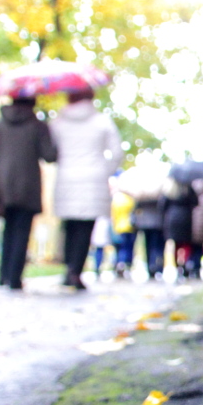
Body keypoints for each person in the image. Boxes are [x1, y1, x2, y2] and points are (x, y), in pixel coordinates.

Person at [49, 88, 121, 290]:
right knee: (85, 226)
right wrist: (104, 170)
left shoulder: (58, 123)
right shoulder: (102, 121)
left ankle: (68, 269)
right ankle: (75, 270)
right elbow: (116, 153)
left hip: (66, 177)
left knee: (69, 224)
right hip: (94, 179)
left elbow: (50, 150)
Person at [0, 96, 57, 291]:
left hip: (4, 184)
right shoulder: (38, 125)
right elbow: (50, 155)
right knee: (22, 231)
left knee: (7, 230)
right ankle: (14, 277)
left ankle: (3, 275)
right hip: (28, 185)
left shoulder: (0, 123)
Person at [160, 177, 197, 280]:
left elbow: (162, 205)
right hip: (186, 218)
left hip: (172, 218)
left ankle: (177, 265)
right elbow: (195, 202)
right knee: (186, 243)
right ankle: (185, 262)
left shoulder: (170, 190)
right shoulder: (188, 189)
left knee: (175, 245)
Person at [131, 197, 166, 280]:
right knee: (157, 246)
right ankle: (157, 266)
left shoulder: (143, 194)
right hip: (158, 222)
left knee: (148, 246)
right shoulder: (159, 194)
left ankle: (151, 267)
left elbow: (136, 206)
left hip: (145, 223)